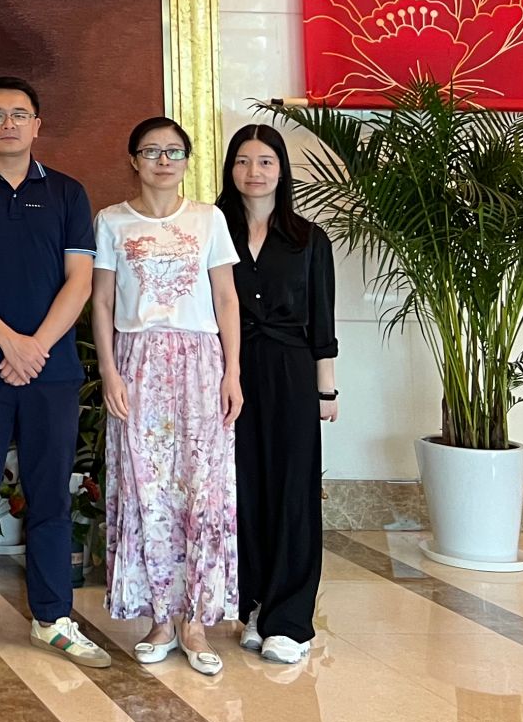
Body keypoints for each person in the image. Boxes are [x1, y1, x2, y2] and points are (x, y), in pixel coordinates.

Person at [0, 77, 111, 670]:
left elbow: (80, 281)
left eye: (19, 114)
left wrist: (37, 347)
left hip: (52, 371)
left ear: (37, 125)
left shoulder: (66, 192)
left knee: (51, 494)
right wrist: (11, 343)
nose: (8, 124)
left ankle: (53, 618)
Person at [92, 116, 243, 677]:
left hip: (201, 363)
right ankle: (159, 618)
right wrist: (109, 370)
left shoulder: (208, 219)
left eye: (174, 151)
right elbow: (102, 301)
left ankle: (195, 622)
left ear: (186, 160)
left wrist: (233, 372)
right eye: (152, 151)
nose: (163, 161)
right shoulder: (111, 221)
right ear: (133, 159)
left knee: (203, 488)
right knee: (146, 488)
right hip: (137, 360)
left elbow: (226, 299)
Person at [219, 124, 338, 667]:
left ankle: (289, 621)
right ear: (230, 169)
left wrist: (326, 389)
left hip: (291, 372)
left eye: (265, 161)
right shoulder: (211, 229)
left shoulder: (309, 238)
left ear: (281, 170)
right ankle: (254, 605)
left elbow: (322, 320)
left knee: (292, 491)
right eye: (243, 161)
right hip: (229, 371)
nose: (254, 172)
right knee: (242, 488)